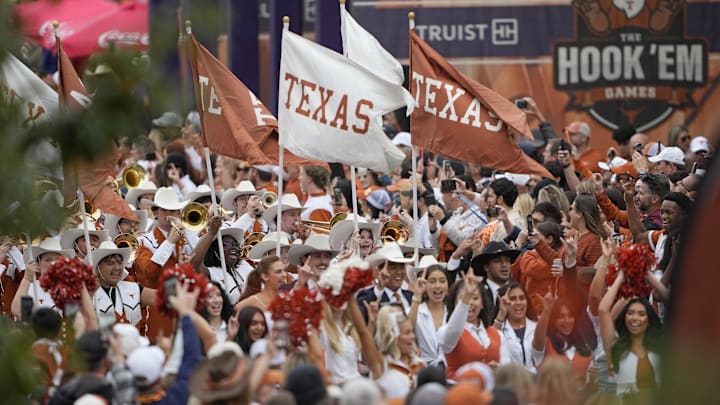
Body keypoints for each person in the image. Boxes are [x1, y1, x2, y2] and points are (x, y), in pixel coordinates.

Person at [135, 187, 199, 341]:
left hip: (184, 306)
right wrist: (170, 241)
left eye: (176, 211)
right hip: (157, 310)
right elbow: (150, 273)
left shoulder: (185, 238)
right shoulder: (143, 241)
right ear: (155, 212)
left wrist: (186, 229)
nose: (172, 215)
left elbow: (202, 256)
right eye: (166, 210)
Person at [126, 282, 204, 404]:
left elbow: (191, 358)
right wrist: (186, 314)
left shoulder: (118, 398)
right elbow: (191, 358)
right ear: (160, 377)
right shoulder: (177, 397)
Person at [599, 272, 662, 395]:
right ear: (624, 318)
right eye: (631, 313)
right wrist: (620, 278)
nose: (635, 318)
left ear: (649, 321)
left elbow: (672, 303)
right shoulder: (616, 348)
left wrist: (649, 276)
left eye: (641, 314)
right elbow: (603, 310)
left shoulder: (659, 350)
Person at [439, 271, 509, 380]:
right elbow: (453, 333)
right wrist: (464, 302)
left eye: (475, 298)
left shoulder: (497, 334)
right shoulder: (445, 331)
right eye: (463, 298)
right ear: (455, 304)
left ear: (482, 304)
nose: (470, 302)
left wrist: (497, 370)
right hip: (459, 391)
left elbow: (506, 367)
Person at [90, 241, 157, 328]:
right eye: (110, 263)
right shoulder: (89, 295)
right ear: (98, 267)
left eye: (120, 262)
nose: (117, 268)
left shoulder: (132, 288)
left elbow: (162, 297)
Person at [535, 298, 598, 381]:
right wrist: (546, 311)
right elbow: (538, 340)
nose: (567, 321)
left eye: (570, 316)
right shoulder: (545, 344)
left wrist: (594, 377)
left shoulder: (584, 345)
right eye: (561, 317)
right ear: (553, 320)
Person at [493, 282, 549, 373]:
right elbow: (491, 345)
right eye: (512, 299)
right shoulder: (499, 328)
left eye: (522, 298)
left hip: (535, 382)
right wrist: (501, 313)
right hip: (510, 382)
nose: (518, 303)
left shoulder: (537, 328)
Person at [11, 236, 75, 316]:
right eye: (48, 260)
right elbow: (17, 311)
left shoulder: (70, 288)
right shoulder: (31, 288)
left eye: (57, 260)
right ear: (38, 264)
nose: (53, 263)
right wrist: (27, 278)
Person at [192, 218, 251, 305]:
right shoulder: (211, 272)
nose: (233, 247)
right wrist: (211, 233)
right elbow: (193, 265)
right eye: (227, 244)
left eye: (235, 245)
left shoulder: (243, 266)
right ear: (215, 250)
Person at [357, 242, 415, 320]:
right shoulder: (367, 297)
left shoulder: (412, 297)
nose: (399, 272)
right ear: (379, 271)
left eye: (401, 267)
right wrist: (379, 289)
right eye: (393, 268)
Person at [408, 262, 448, 365]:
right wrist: (417, 295)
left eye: (442, 281)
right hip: (422, 370)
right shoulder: (416, 309)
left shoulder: (453, 312)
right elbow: (408, 329)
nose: (438, 286)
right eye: (432, 281)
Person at [470, 241, 521, 315]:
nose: (504, 265)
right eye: (497, 261)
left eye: (507, 261)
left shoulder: (517, 290)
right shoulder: (477, 292)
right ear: (486, 267)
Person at [567, 194, 605, 269]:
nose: (569, 212)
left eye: (571, 209)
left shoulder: (594, 241)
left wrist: (567, 270)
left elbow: (593, 273)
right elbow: (557, 258)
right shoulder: (572, 234)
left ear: (579, 214)